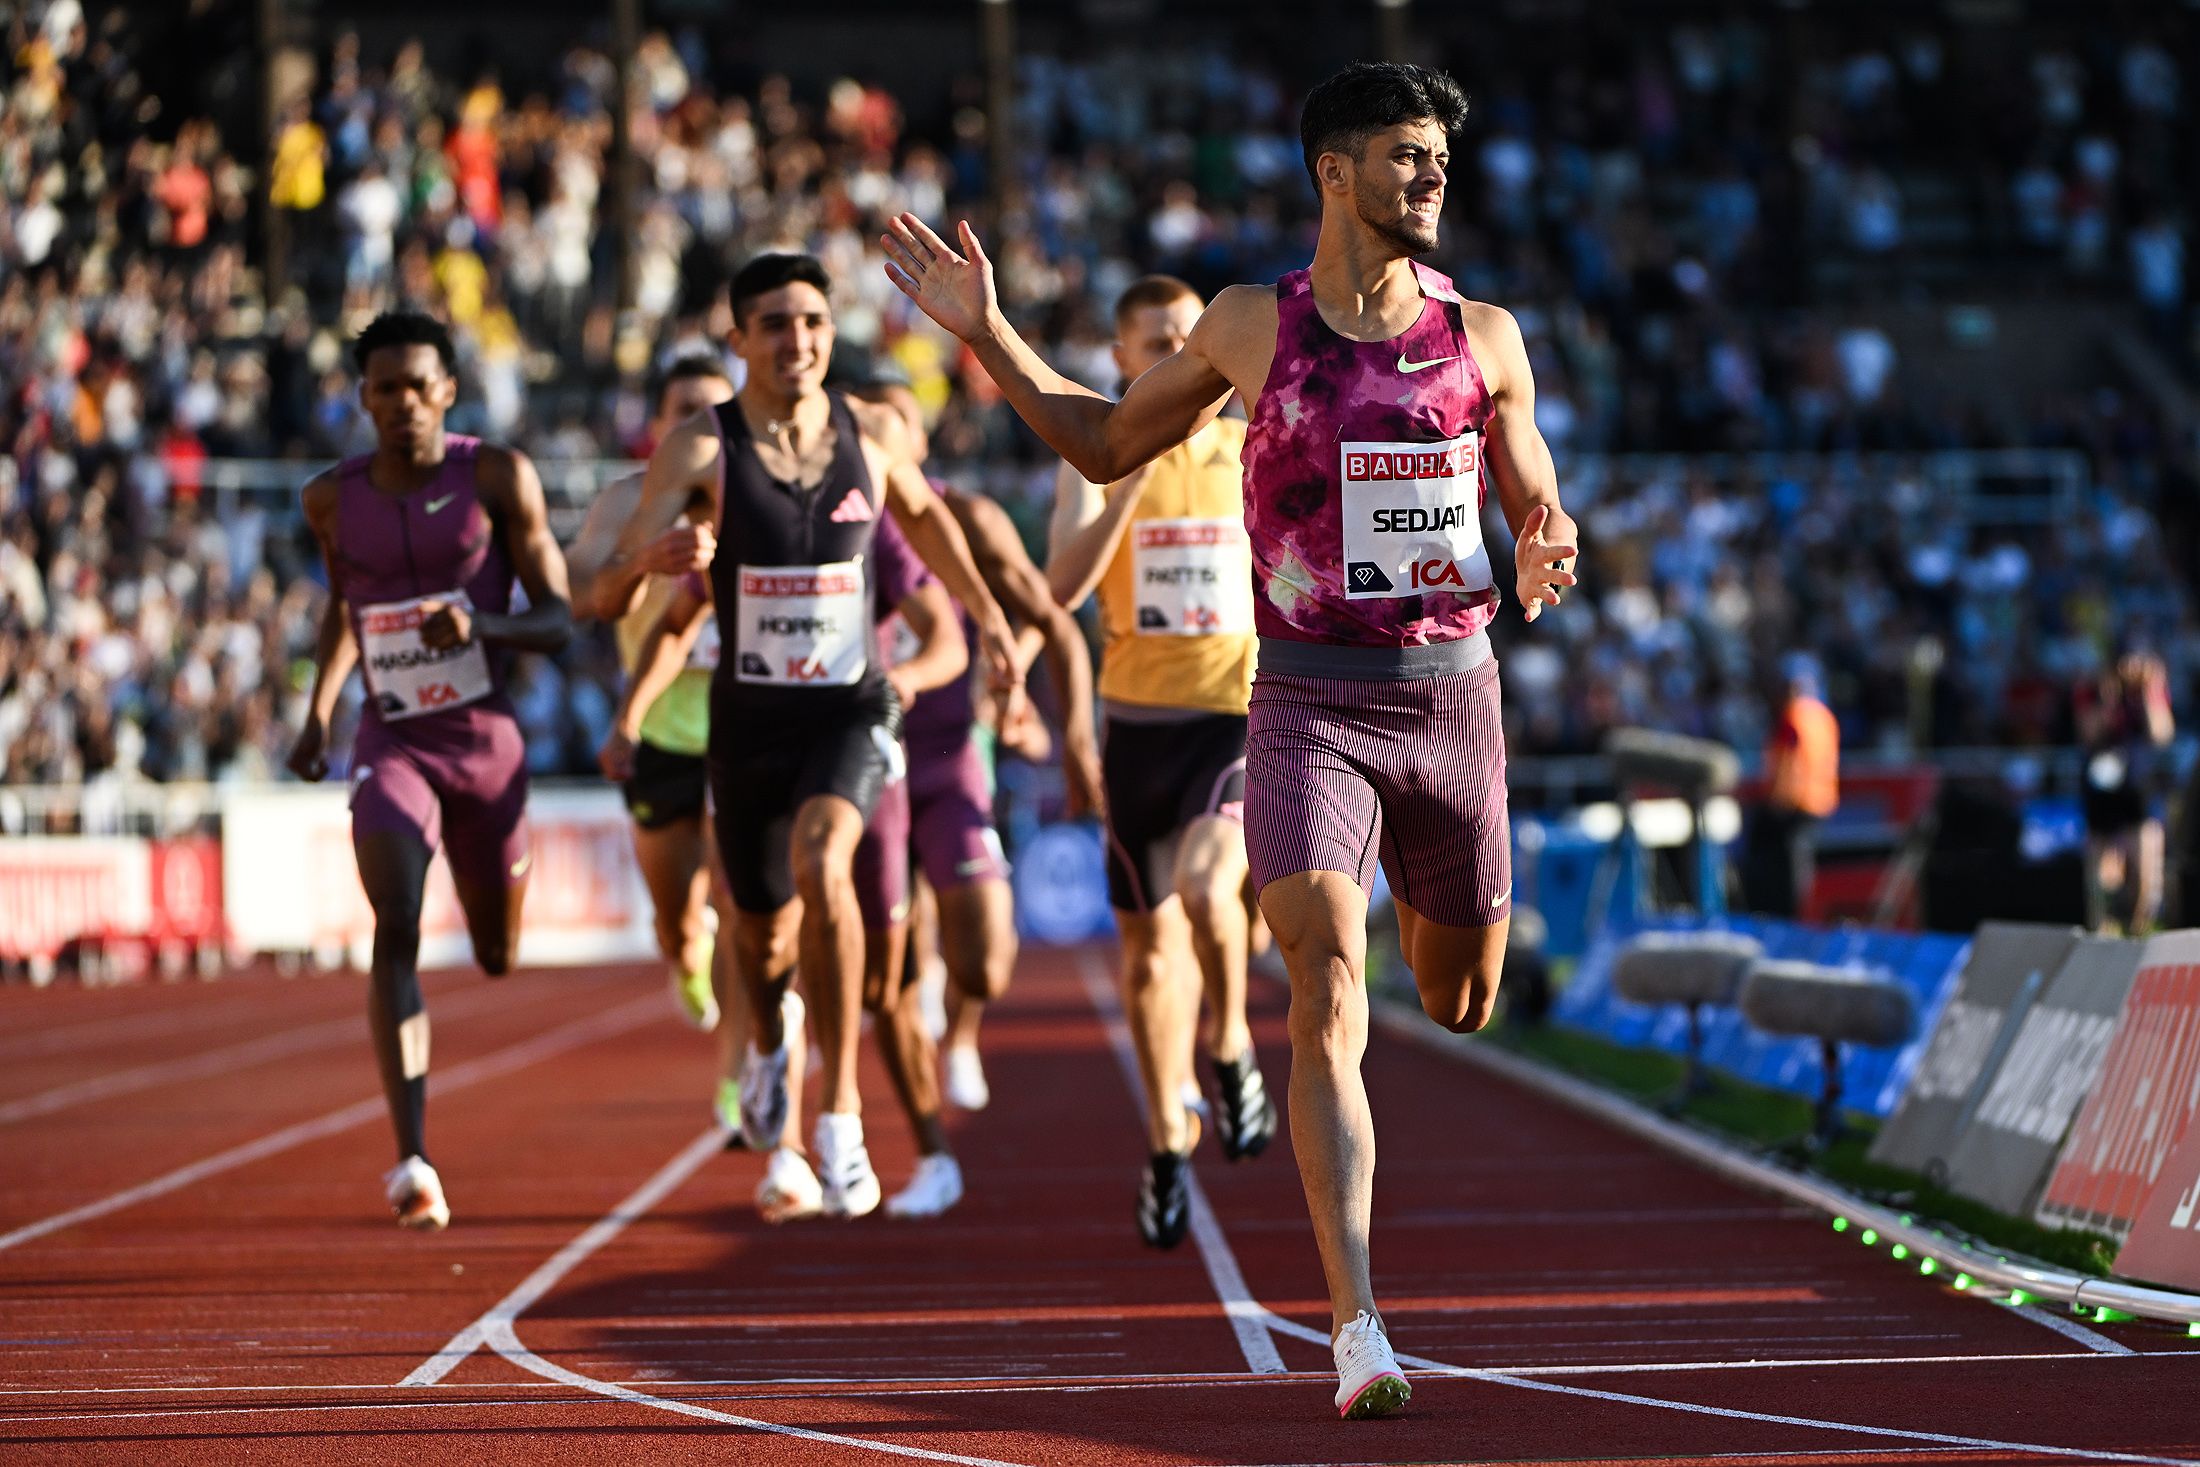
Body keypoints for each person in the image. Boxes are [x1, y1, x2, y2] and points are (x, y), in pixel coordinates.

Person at [880, 61, 1579, 1418]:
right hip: (1306, 696)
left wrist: (1545, 531)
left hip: (1453, 696)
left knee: (1457, 998)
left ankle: (1364, 1233)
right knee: (1323, 981)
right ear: (1336, 171)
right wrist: (987, 334)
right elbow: (1095, 442)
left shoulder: (1485, 333)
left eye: (1441, 159)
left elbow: (1533, 479)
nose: (1434, 178)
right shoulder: (1257, 327)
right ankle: (1358, 1320)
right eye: (1406, 156)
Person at [615, 252, 1018, 1220]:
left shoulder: (870, 435)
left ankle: (837, 1116)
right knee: (758, 936)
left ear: (830, 336)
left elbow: (926, 524)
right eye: (775, 325)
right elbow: (616, 570)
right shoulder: (701, 452)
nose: (797, 341)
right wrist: (650, 558)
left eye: (812, 323)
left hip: (850, 708)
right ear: (739, 341)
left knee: (824, 858)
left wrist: (989, 621)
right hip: (748, 722)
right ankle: (765, 1049)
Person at [287, 310, 573, 1230]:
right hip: (393, 739)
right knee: (396, 917)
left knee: (496, 953)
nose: (403, 403)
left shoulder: (494, 476)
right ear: (362, 398)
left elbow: (559, 617)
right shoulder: (330, 499)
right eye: (385, 388)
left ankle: (495, 916)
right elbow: (345, 606)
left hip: (485, 745)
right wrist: (320, 707)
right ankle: (411, 1155)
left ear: (448, 390)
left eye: (420, 386)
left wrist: (480, 625)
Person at [1046, 274, 1276, 1250]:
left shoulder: (1249, 445)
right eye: (1157, 347)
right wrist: (1130, 469)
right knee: (1146, 962)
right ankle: (1166, 1141)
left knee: (1207, 885)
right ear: (1122, 361)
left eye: (1193, 343)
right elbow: (1057, 586)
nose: (1184, 361)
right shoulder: (1093, 455)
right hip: (1134, 731)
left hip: (1231, 716)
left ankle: (1227, 1042)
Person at [852, 380, 1103, 1120]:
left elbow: (1050, 618)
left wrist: (1063, 727)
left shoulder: (968, 517)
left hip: (953, 747)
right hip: (865, 752)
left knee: (988, 957)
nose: (878, 439)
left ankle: (960, 1031)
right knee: (886, 948)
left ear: (918, 441)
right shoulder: (830, 522)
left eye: (894, 424)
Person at [571, 357, 735, 1037]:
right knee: (675, 921)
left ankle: (747, 1070)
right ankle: (686, 947)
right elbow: (580, 596)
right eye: (684, 412)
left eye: (714, 413)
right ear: (660, 426)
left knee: (752, 902)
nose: (699, 427)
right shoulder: (624, 502)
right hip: (660, 730)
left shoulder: (763, 497)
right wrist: (642, 560)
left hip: (744, 723)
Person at [2076, 649, 2175, 934]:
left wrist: (2149, 691)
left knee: (2145, 859)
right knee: (2102, 867)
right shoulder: (2092, 689)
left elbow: (2162, 734)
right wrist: (2107, 694)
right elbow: (2090, 734)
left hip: (2136, 786)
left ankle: (2140, 927)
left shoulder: (2147, 690)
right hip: (2101, 788)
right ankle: (2104, 925)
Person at [1746, 654, 1840, 919]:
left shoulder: (1794, 716)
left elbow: (1788, 763)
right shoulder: (1823, 716)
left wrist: (1776, 802)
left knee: (1783, 872)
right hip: (1819, 802)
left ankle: (1787, 921)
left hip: (1793, 805)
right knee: (1802, 865)